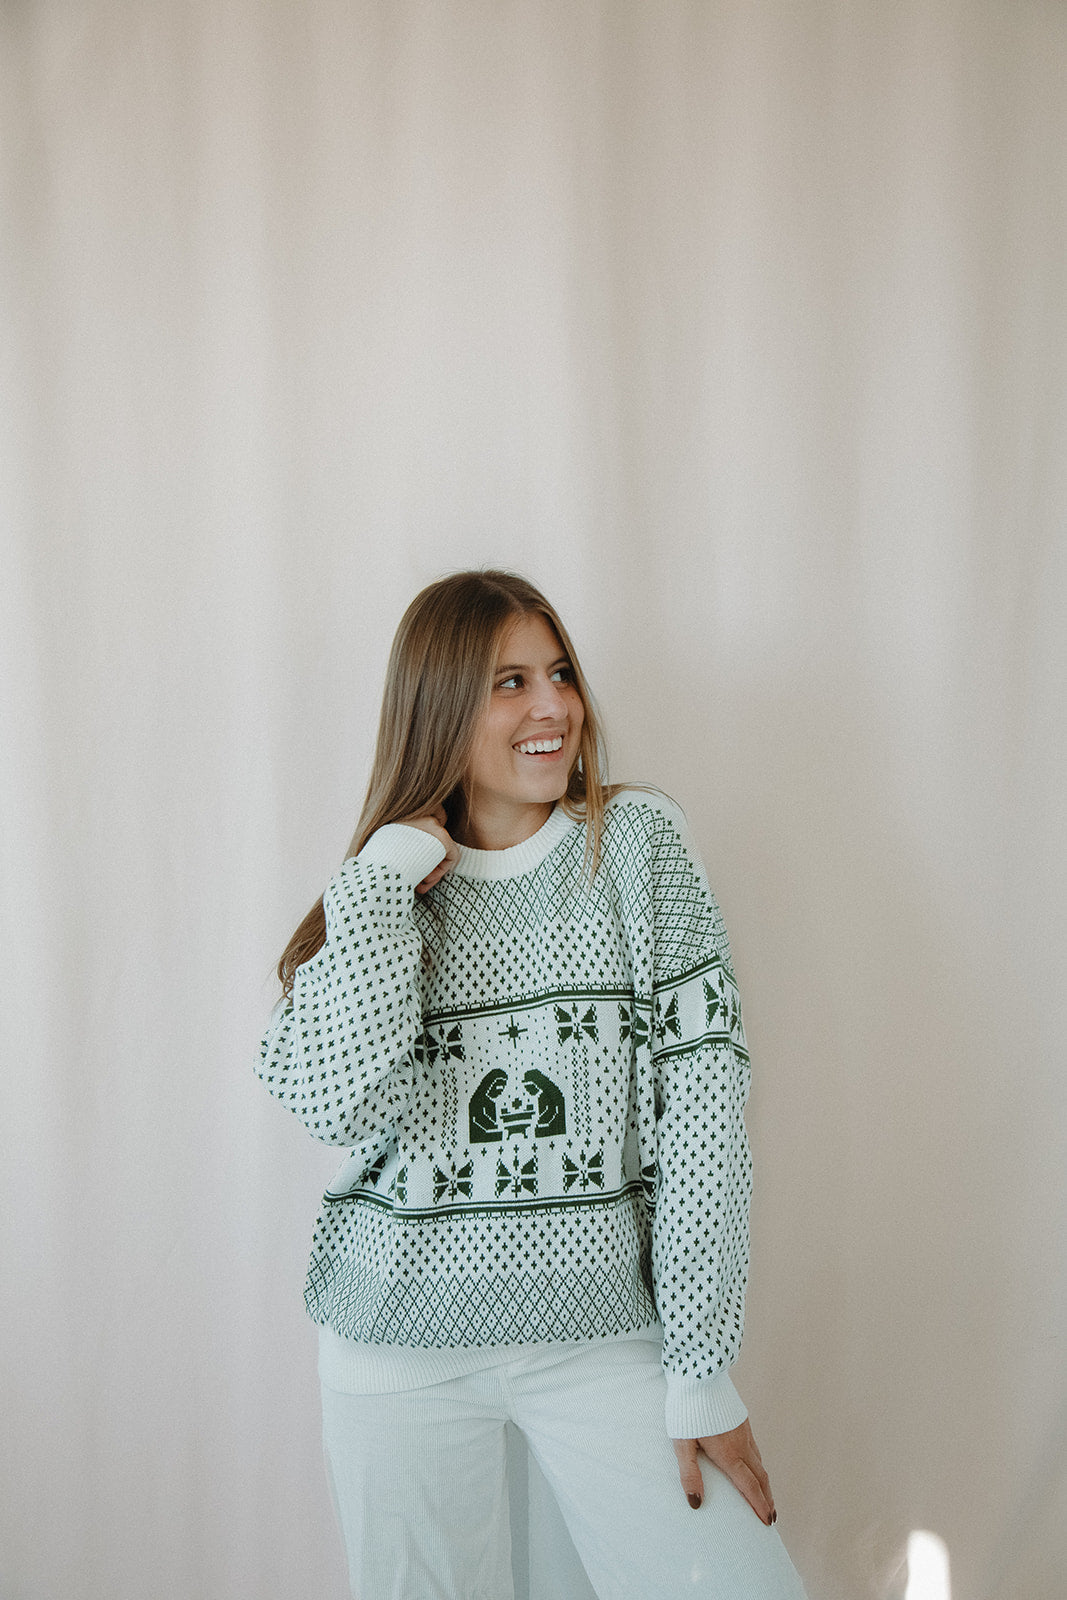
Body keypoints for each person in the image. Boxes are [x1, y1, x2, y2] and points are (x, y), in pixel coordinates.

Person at [257, 569, 807, 1599]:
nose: (553, 706)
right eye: (508, 681)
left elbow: (701, 1115)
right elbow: (335, 1099)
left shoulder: (636, 846)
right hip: (397, 1341)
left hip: (601, 1336)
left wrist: (696, 1370)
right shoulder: (387, 891)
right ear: (437, 708)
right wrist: (378, 878)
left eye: (558, 673)